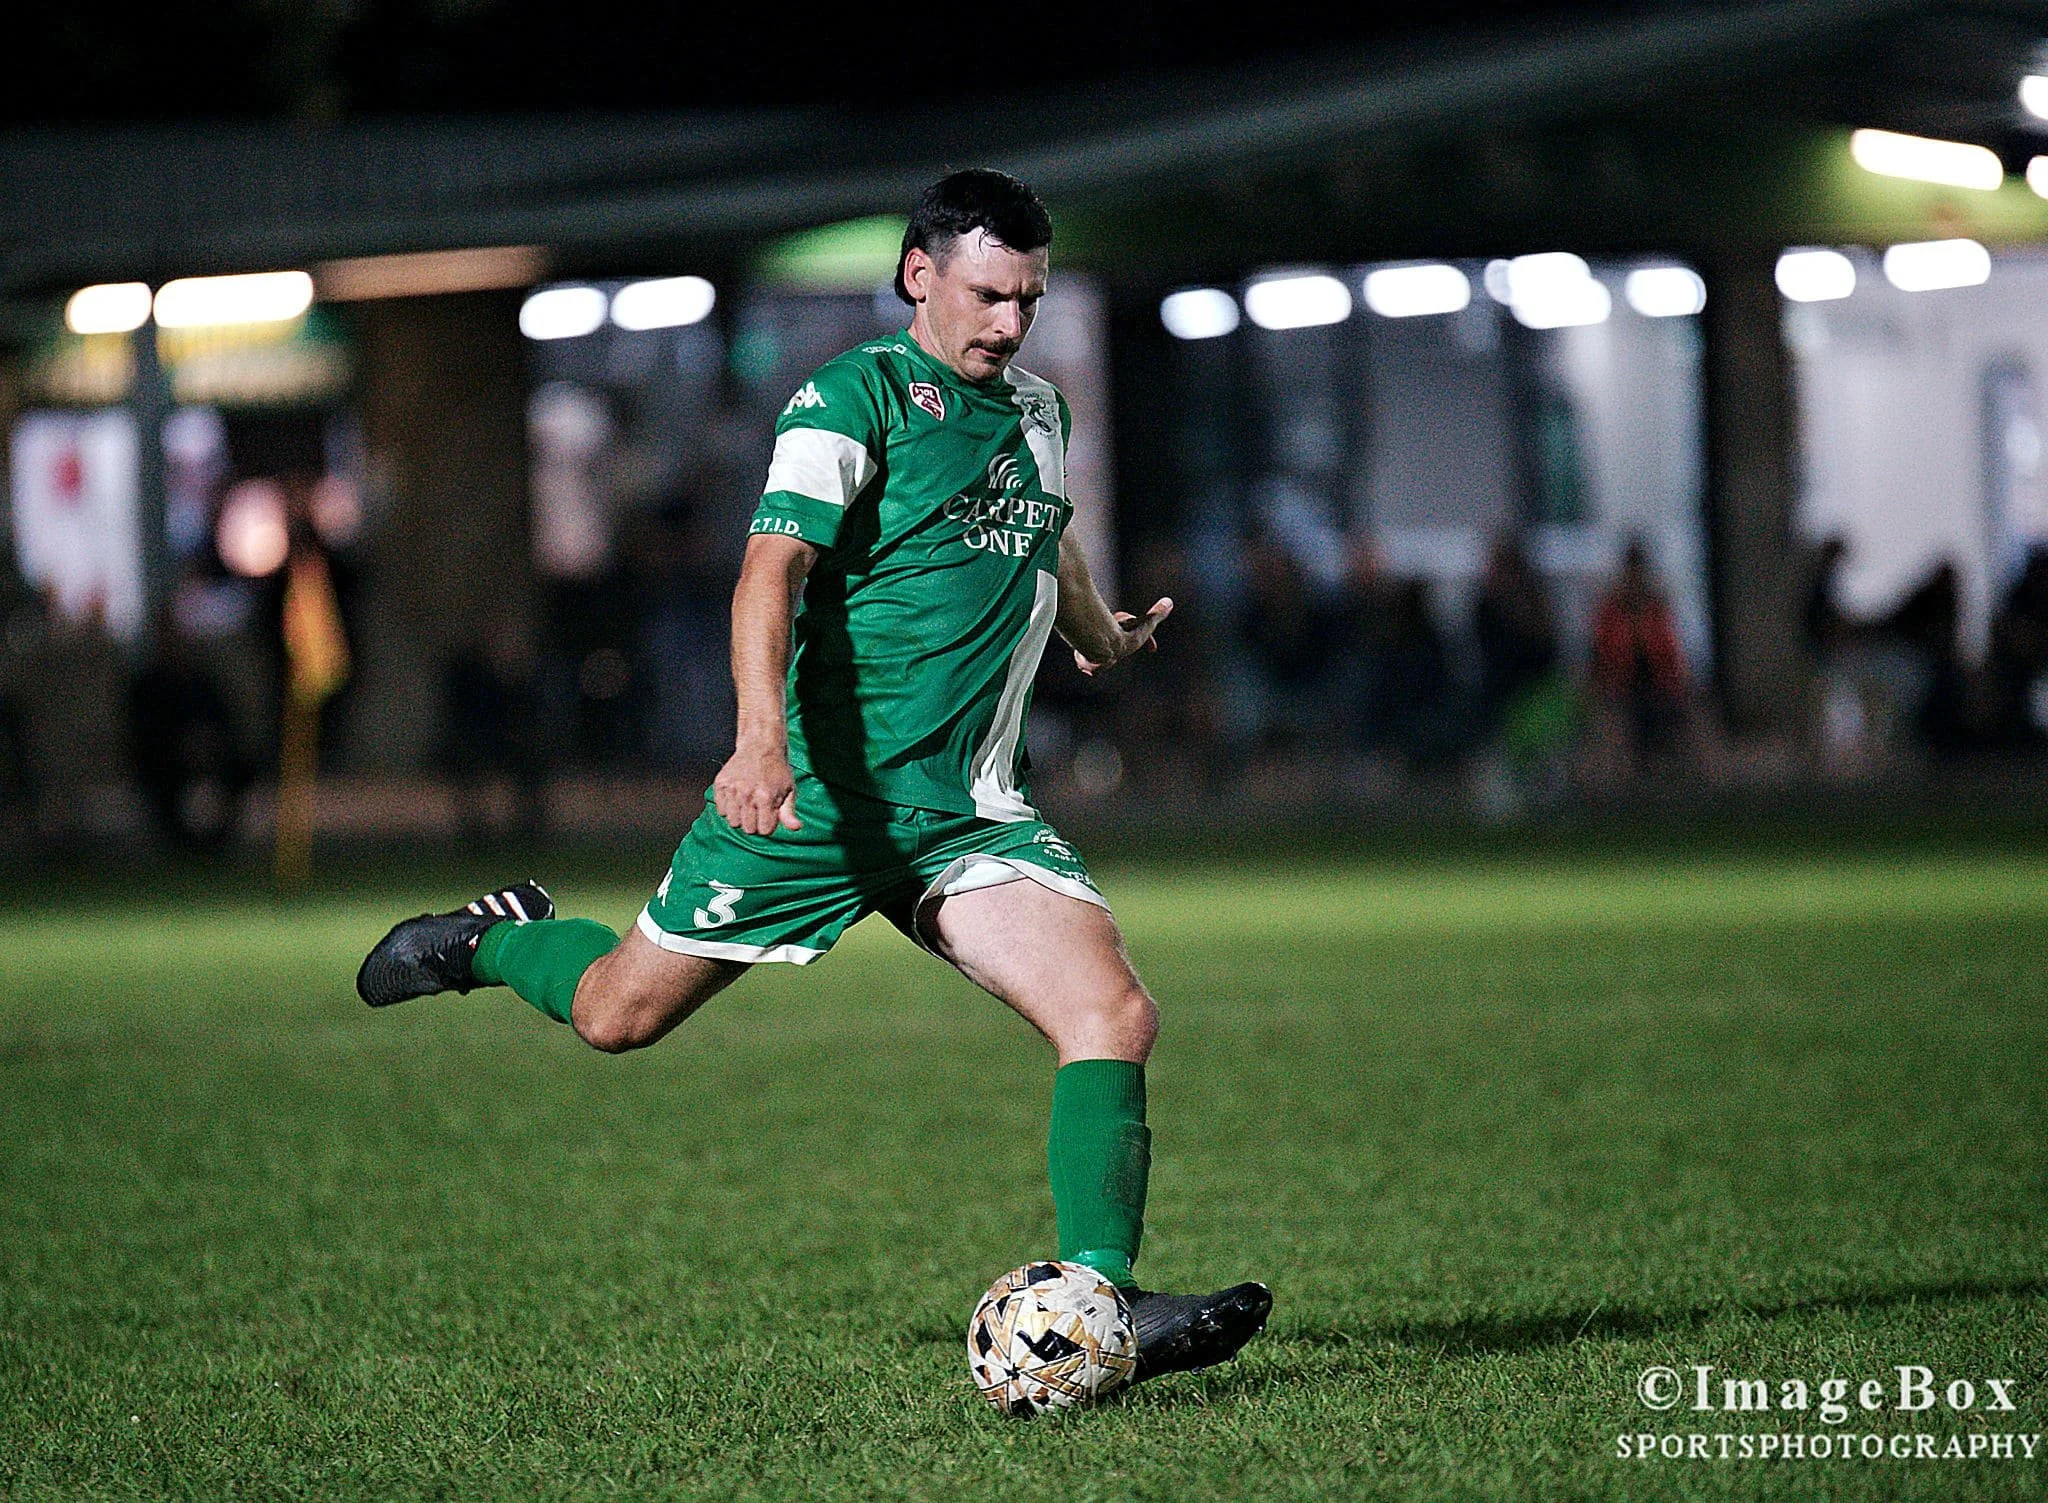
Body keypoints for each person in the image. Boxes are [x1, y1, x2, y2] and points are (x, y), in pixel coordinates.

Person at [357, 170, 1270, 1383]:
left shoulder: (1039, 410)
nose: (1007, 323)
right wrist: (757, 741)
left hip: (962, 813)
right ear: (918, 277)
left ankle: (1102, 1302)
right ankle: (485, 943)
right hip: (819, 801)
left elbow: (1040, 520)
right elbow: (766, 577)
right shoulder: (854, 400)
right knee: (615, 1015)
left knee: (1111, 1013)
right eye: (987, 295)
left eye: (1028, 302)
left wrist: (1094, 631)